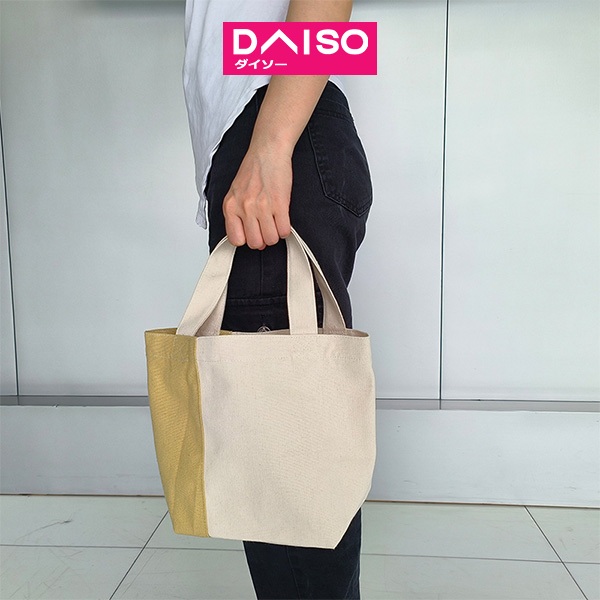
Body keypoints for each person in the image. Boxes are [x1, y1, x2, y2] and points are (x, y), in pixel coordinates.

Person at [183, 1, 373, 598]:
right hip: (280, 123)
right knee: (291, 454)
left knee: (287, 467)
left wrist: (270, 147)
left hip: (277, 122)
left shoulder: (271, 133)